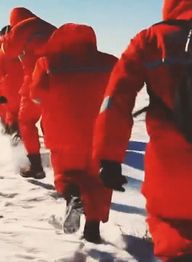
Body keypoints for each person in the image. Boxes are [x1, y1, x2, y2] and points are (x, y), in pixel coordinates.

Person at [94, 0, 192, 262]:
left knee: (170, 223)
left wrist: (109, 157)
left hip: (171, 169)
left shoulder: (150, 40)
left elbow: (116, 100)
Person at [29, 23, 117, 243]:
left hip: (62, 131)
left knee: (67, 174)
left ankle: (73, 196)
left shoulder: (47, 63)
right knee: (98, 181)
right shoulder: (110, 62)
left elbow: (36, 96)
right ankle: (93, 229)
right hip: (100, 132)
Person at [2, 8, 57, 179]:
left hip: (33, 80)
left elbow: (8, 51)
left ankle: (35, 166)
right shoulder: (51, 28)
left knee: (26, 121)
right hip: (57, 81)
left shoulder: (22, 27)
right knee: (54, 123)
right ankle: (60, 164)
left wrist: (7, 37)